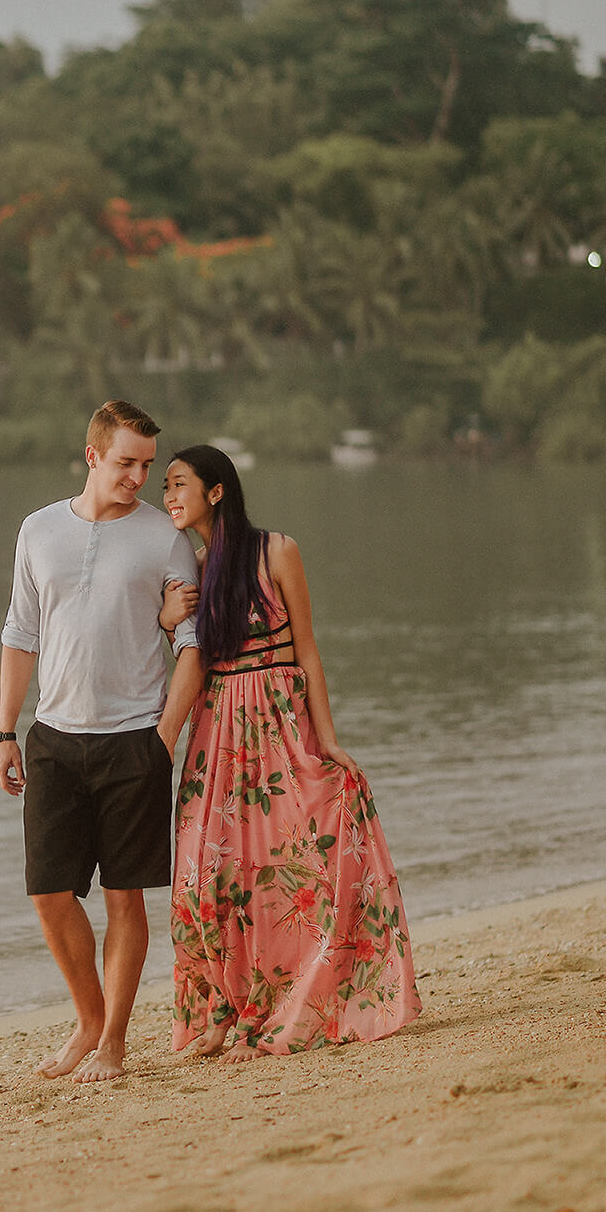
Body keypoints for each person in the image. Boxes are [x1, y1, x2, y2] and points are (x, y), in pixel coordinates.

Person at [158, 443, 420, 1063]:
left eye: (177, 485)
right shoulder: (190, 568)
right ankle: (218, 1010)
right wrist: (168, 620)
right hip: (216, 727)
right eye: (164, 488)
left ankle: (269, 1011)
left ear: (215, 491)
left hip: (277, 721)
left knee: (283, 868)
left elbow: (307, 649)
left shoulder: (277, 550)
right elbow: (182, 657)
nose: (167, 498)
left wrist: (326, 739)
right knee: (202, 873)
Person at [0, 400, 205, 1083]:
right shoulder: (38, 530)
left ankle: (112, 1041)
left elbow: (192, 648)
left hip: (132, 742)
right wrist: (4, 733)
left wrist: (163, 739)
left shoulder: (164, 539)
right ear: (93, 456)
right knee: (50, 893)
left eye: (146, 464)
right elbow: (20, 635)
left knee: (123, 899)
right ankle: (88, 1019)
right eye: (125, 463)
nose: (139, 477)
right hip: (53, 737)